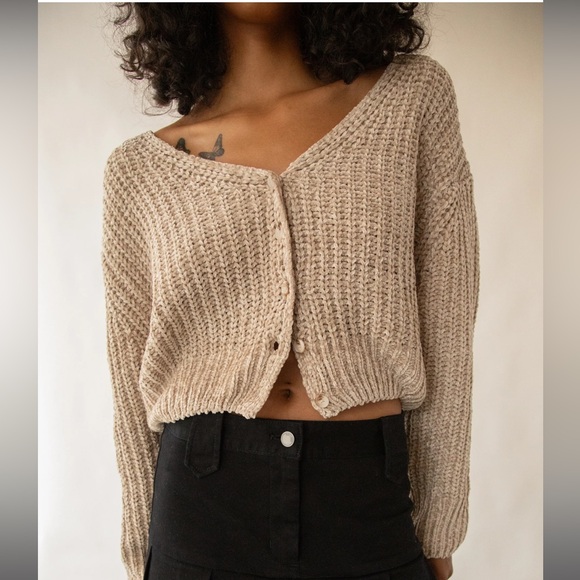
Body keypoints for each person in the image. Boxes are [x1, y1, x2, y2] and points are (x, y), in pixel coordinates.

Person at [101, 3, 479, 580]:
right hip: (201, 507)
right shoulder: (139, 171)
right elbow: (129, 379)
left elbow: (448, 325)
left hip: (365, 498)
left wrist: (439, 523)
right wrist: (140, 552)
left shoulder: (410, 100)